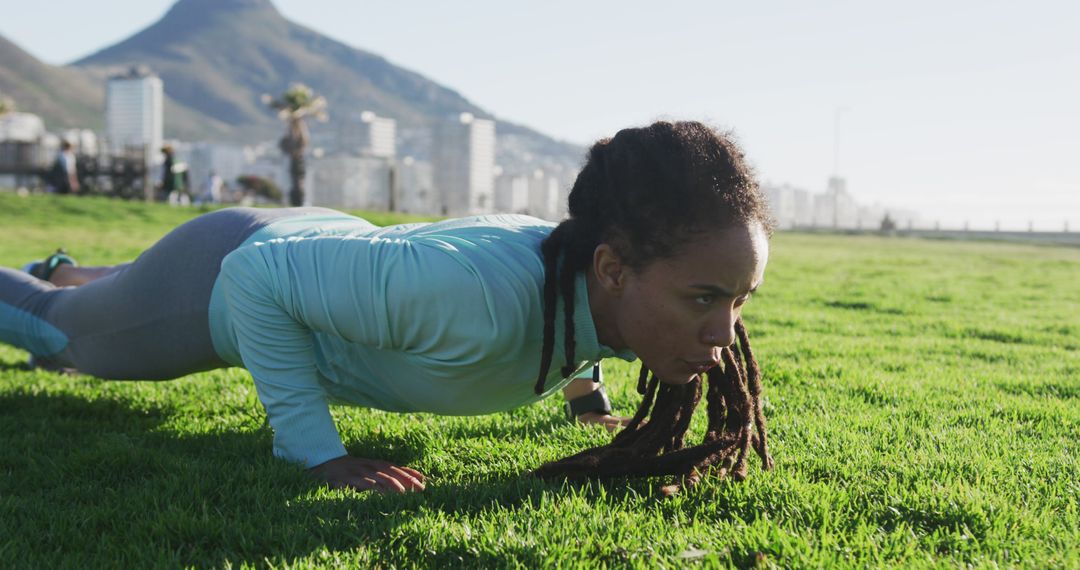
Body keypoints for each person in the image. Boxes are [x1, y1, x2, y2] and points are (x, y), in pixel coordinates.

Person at [0, 121, 774, 493]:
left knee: (99, 296)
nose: (723, 332)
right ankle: (52, 289)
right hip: (226, 277)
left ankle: (73, 271)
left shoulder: (586, 272)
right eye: (703, 297)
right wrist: (318, 453)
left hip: (314, 253)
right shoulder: (474, 299)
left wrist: (586, 402)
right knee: (66, 339)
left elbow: (576, 313)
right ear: (613, 269)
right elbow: (255, 279)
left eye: (740, 301)